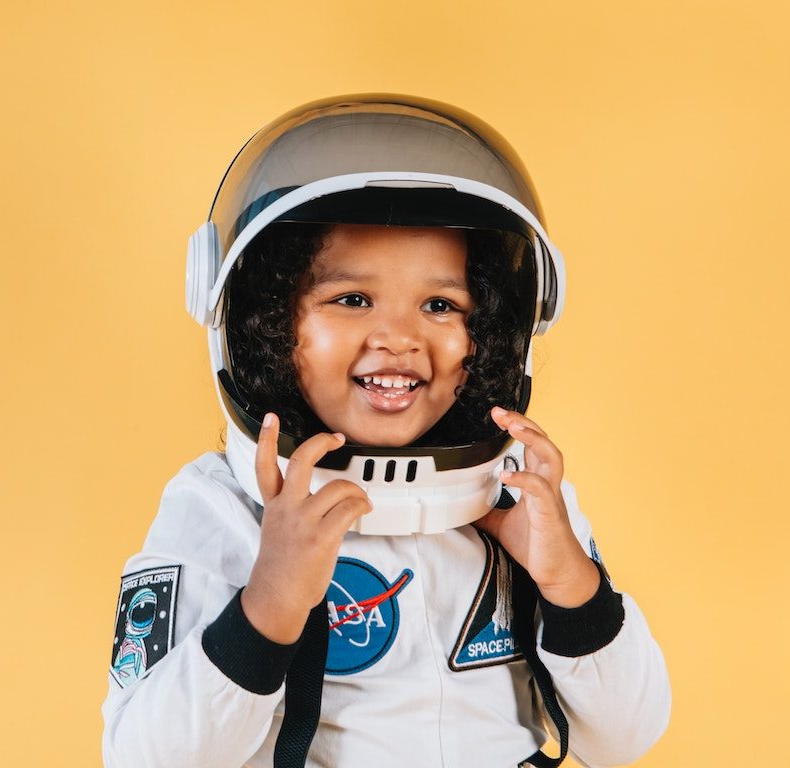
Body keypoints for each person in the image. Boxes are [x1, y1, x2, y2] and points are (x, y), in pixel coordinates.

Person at [101, 95, 671, 768]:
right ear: (269, 324)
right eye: (351, 300)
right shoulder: (223, 509)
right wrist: (268, 606)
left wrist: (573, 588)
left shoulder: (522, 498)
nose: (399, 337)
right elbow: (147, 757)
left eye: (440, 304)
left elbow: (625, 739)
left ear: (487, 334)